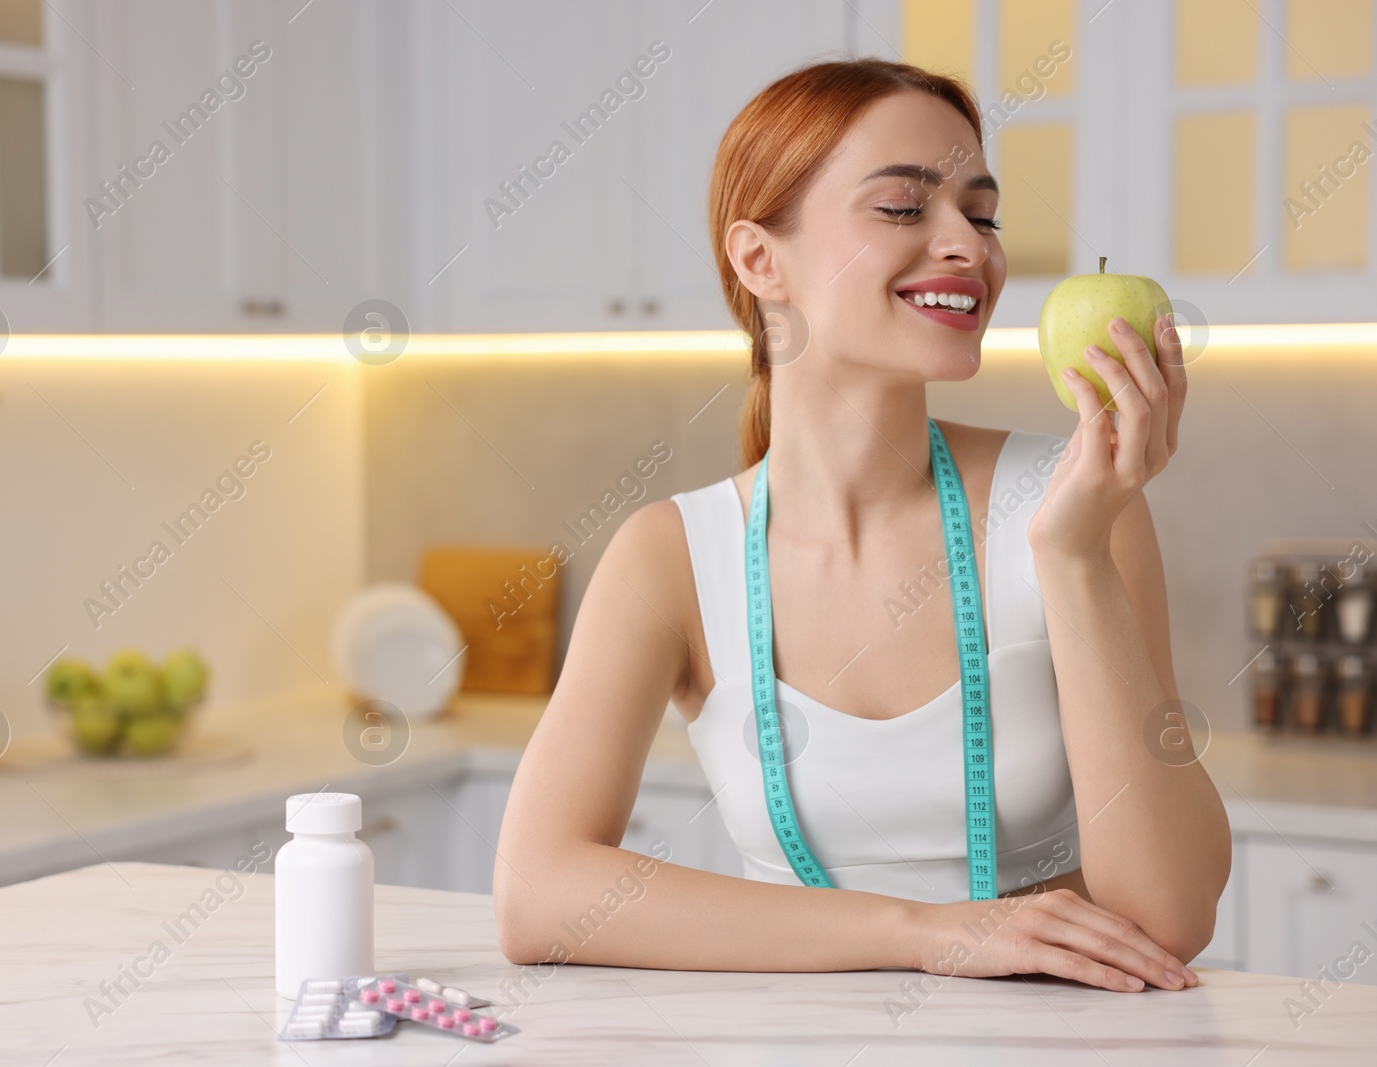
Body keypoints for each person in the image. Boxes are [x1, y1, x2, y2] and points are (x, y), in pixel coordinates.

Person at [493, 58, 1228, 994]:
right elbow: (536, 892)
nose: (968, 244)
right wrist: (926, 930)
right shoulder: (673, 556)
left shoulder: (1074, 502)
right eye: (902, 208)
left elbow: (1172, 916)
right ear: (760, 260)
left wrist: (1075, 556)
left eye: (982, 211)